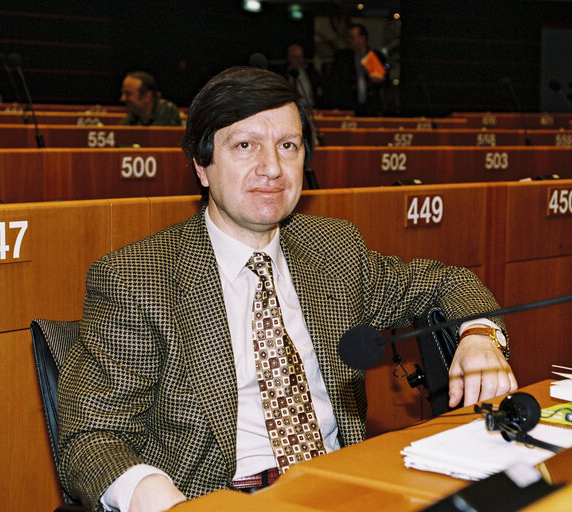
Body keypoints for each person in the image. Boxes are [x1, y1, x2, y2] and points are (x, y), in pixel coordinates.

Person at [57, 66, 516, 512]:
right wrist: (160, 499)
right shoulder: (138, 277)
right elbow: (89, 436)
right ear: (201, 165)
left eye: (288, 146)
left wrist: (479, 336)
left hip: (346, 483)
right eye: (245, 145)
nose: (272, 168)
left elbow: (446, 282)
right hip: (221, 498)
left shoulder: (334, 248)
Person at [328, 23, 389, 116]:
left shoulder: (376, 56)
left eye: (352, 37)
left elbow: (385, 81)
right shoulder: (342, 57)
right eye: (349, 37)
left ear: (362, 38)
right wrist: (335, 105)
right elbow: (335, 82)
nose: (349, 41)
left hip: (371, 107)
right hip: (348, 107)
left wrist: (379, 80)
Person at [282, 43, 322, 111]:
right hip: (290, 110)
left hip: (310, 109)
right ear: (288, 58)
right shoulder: (283, 75)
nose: (298, 60)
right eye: (295, 57)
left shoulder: (311, 73)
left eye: (300, 56)